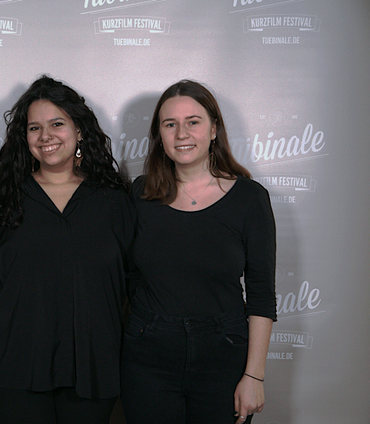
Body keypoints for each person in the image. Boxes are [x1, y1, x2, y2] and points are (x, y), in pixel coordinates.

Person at [0, 76, 135, 424]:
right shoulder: (1, 199)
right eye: (34, 127)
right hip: (11, 370)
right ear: (24, 138)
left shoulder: (114, 201)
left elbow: (135, 283)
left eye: (57, 124)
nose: (45, 136)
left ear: (79, 131)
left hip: (92, 373)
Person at [120, 80, 276, 424]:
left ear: (214, 128)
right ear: (159, 135)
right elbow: (126, 274)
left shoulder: (250, 198)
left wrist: (254, 376)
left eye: (193, 121)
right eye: (170, 124)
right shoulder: (140, 193)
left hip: (224, 353)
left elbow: (262, 293)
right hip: (148, 353)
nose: (181, 134)